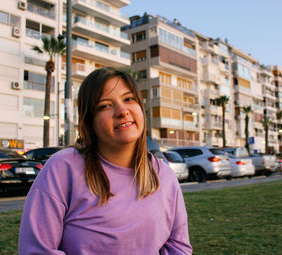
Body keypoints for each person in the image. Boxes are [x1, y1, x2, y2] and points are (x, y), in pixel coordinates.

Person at [19, 67, 192, 254]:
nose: (122, 111)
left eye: (128, 99)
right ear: (89, 122)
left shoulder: (164, 176)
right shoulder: (62, 167)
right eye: (105, 106)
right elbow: (37, 250)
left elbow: (178, 247)